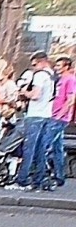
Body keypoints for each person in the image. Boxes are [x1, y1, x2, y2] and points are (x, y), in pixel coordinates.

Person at [14, 50, 59, 190]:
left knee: (29, 148)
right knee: (40, 149)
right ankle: (38, 179)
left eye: (34, 64)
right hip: (46, 114)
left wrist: (23, 92)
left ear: (41, 62)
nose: (33, 67)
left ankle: (22, 179)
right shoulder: (51, 75)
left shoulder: (39, 76)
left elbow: (35, 95)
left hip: (35, 114)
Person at [50, 55, 74, 189]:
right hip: (56, 116)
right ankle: (60, 176)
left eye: (59, 66)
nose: (56, 68)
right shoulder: (61, 79)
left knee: (47, 145)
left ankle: (49, 174)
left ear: (66, 67)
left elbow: (70, 99)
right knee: (57, 148)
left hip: (60, 118)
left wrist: (59, 115)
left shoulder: (70, 79)